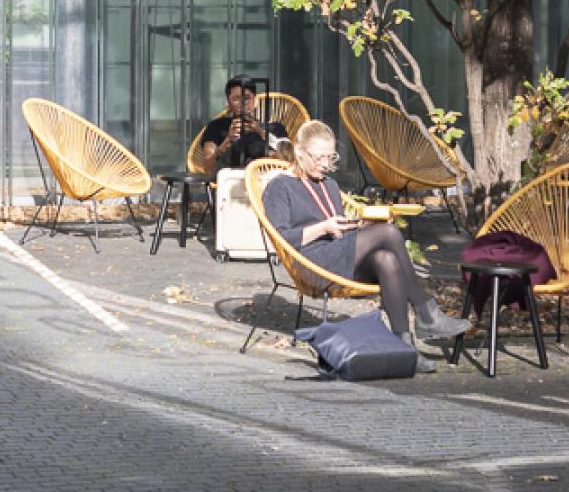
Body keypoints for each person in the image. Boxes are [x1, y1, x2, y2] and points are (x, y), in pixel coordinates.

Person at [260, 121, 469, 350]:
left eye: (330, 158)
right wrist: (323, 228)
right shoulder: (280, 187)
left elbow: (339, 233)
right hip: (311, 263)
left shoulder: (328, 184)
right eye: (319, 157)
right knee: (389, 233)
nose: (325, 165)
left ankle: (404, 346)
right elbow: (282, 239)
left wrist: (363, 226)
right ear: (299, 152)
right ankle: (426, 314)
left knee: (385, 259)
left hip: (339, 256)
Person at [198, 76, 288, 174]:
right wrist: (227, 141)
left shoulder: (276, 128)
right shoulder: (216, 126)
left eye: (246, 98)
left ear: (255, 101)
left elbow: (288, 159)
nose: (242, 103)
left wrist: (259, 131)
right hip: (230, 179)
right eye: (236, 99)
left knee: (251, 139)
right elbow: (208, 168)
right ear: (228, 103)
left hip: (265, 180)